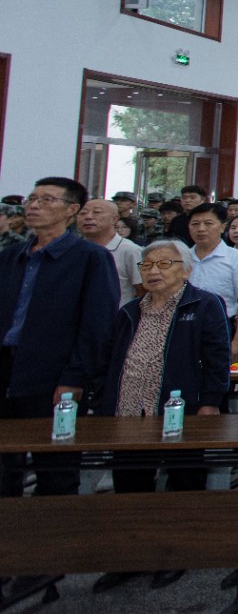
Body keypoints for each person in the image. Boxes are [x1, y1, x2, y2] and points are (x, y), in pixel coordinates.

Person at [93, 239, 230, 590]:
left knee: (183, 482)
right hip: (129, 411)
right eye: (147, 265)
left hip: (178, 412)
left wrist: (211, 400)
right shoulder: (129, 310)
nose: (154, 271)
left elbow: (217, 357)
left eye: (164, 264)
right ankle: (132, 556)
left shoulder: (203, 304)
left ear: (186, 270)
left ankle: (177, 552)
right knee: (130, 485)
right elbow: (108, 359)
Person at [1, 177, 120, 512]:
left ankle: (53, 543)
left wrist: (74, 378)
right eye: (32, 199)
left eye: (47, 200)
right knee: (4, 467)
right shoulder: (10, 256)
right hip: (6, 369)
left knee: (55, 470)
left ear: (71, 210)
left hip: (55, 377)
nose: (34, 206)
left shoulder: (90, 258)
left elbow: (97, 325)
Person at [187, 202, 238, 362]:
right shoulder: (182, 258)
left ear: (222, 227)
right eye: (195, 224)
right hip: (186, 327)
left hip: (223, 327)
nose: (201, 229)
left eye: (208, 223)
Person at [78, 197, 143, 306]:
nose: (88, 217)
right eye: (82, 213)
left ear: (115, 219)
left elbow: (142, 291)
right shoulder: (73, 249)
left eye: (97, 212)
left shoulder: (130, 250)